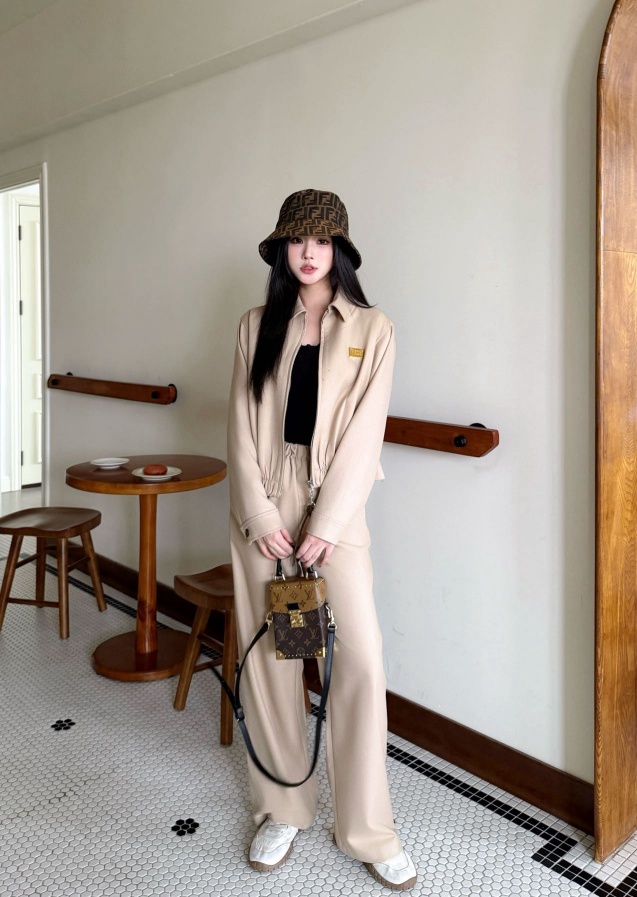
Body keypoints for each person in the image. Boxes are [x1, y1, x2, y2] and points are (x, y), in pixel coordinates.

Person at [227, 189, 417, 891]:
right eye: (296, 240)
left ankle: (367, 828)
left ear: (340, 250)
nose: (308, 253)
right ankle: (284, 808)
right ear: (282, 249)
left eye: (321, 240)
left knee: (359, 660)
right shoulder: (256, 325)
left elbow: (366, 434)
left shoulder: (373, 328)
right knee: (274, 659)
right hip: (266, 511)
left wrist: (327, 525)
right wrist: (259, 515)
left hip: (336, 515)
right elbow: (240, 424)